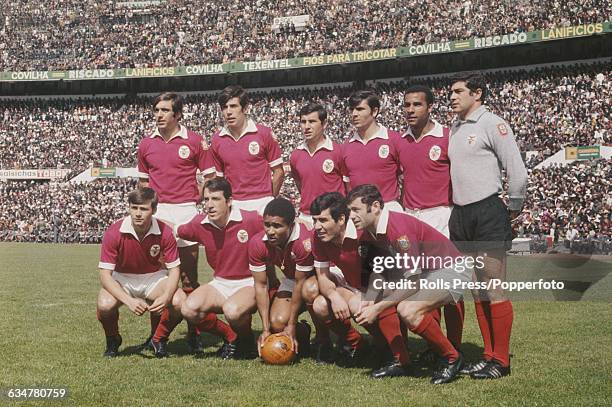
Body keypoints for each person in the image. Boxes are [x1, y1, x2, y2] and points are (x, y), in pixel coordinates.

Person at [346, 185, 471, 384]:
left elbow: (413, 282)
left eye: (356, 209)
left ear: (376, 206)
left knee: (408, 310)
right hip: (428, 273)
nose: (351, 216)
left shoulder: (398, 229)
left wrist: (378, 308)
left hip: (452, 269)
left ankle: (452, 357)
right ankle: (400, 361)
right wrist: (370, 301)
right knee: (376, 296)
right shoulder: (368, 232)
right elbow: (377, 272)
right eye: (349, 210)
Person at [448, 72, 528, 379]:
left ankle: (502, 362)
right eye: (450, 92)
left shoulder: (493, 123)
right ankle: (488, 354)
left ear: (477, 93)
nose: (452, 97)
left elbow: (517, 170)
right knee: (477, 289)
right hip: (461, 214)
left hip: (487, 209)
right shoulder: (455, 127)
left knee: (494, 287)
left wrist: (514, 207)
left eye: (458, 91)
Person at [137, 92, 217, 352]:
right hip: (159, 214)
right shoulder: (146, 144)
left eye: (164, 110)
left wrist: (203, 207)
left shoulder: (194, 141)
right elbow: (143, 184)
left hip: (185, 212)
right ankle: (155, 335)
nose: (158, 114)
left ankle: (194, 333)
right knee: (156, 277)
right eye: (156, 110)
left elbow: (209, 177)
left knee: (188, 277)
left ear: (177, 114)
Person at [398, 85, 465, 363]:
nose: (410, 110)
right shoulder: (400, 141)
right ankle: (436, 345)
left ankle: (455, 345)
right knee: (424, 283)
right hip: (412, 218)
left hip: (441, 215)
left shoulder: (448, 137)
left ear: (430, 107)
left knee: (450, 287)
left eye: (416, 105)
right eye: (406, 105)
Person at [310, 192, 410, 377]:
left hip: (384, 286)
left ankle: (392, 349)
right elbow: (322, 278)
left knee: (359, 304)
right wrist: (334, 297)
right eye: (315, 220)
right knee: (320, 305)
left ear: (341, 219)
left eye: (323, 220)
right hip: (354, 285)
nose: (317, 227)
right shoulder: (317, 237)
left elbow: (384, 275)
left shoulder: (362, 232)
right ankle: (358, 343)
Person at [177, 178, 263, 359]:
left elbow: (278, 229)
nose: (209, 205)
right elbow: (174, 229)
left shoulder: (251, 219)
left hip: (249, 282)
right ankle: (230, 336)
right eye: (206, 199)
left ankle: (246, 341)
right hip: (221, 282)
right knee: (188, 309)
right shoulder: (199, 223)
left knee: (232, 310)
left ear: (229, 201)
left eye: (215, 199)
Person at [96, 188, 182, 358]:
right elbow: (105, 275)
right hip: (122, 278)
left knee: (180, 302)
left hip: (153, 277)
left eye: (143, 209)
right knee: (105, 304)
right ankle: (113, 339)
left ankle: (158, 338)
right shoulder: (114, 231)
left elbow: (174, 270)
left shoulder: (165, 231)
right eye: (134, 208)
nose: (138, 213)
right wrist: (128, 301)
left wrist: (166, 298)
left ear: (154, 210)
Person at [248, 197, 314, 358]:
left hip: (314, 280)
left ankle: (324, 341)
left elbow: (301, 283)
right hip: (292, 280)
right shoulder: (257, 243)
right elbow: (261, 286)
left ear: (291, 226)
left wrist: (291, 324)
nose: (270, 231)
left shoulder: (303, 241)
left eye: (277, 226)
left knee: (310, 291)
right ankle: (303, 332)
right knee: (277, 322)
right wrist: (266, 329)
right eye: (267, 224)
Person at [209, 85, 284, 214]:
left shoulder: (264, 133)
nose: (228, 112)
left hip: (262, 201)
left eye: (233, 106)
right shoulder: (217, 139)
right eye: (224, 107)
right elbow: (219, 180)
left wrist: (270, 197)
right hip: (235, 203)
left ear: (245, 108)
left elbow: (278, 172)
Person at [341, 89, 403, 212]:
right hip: (359, 211)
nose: (354, 114)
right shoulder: (346, 146)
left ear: (374, 111)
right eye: (352, 109)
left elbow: (405, 178)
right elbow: (347, 184)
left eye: (360, 109)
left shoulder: (394, 139)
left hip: (388, 207)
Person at [289, 102, 346, 224]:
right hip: (307, 216)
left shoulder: (338, 151)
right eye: (303, 122)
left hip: (333, 216)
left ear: (324, 123)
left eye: (312, 121)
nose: (306, 126)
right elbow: (300, 184)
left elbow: (347, 184)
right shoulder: (296, 155)